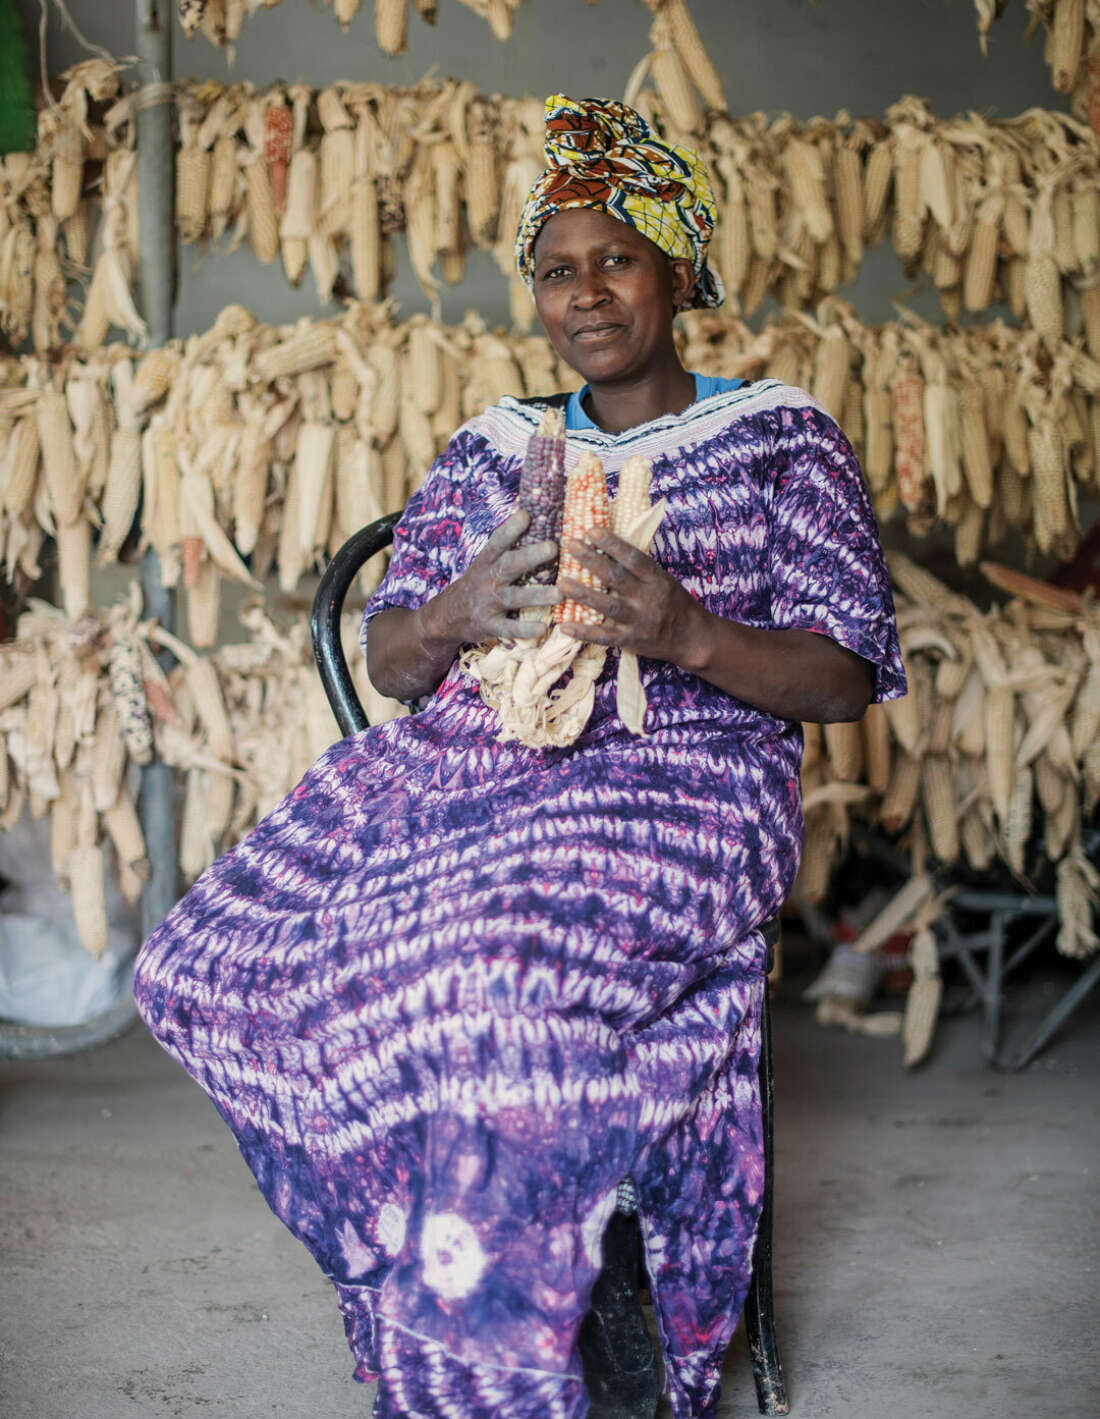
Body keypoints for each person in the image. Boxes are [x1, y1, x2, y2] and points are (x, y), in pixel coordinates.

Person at [133, 94, 906, 1419]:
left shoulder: (782, 436)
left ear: (678, 267)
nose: (585, 294)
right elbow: (389, 662)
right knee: (204, 959)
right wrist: (450, 613)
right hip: (466, 773)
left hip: (682, 783)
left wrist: (686, 628)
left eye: (616, 258)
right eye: (557, 270)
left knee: (486, 986)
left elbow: (844, 673)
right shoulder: (495, 449)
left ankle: (493, 1348)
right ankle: (408, 1260)